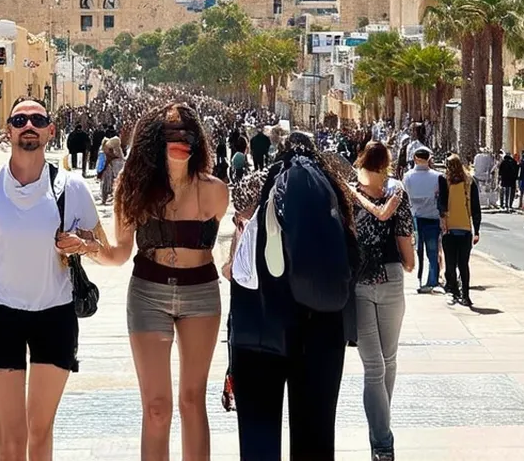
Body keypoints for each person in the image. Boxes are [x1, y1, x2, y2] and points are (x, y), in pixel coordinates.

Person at [0, 97, 103, 461]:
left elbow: (104, 248)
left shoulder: (72, 187)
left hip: (55, 314)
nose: (29, 126)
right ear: (9, 131)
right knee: (11, 437)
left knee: (41, 430)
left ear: (51, 131)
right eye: (20, 120)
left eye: (37, 119)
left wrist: (83, 245)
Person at [91, 102, 229, 461]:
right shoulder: (132, 188)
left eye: (187, 132)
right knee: (156, 407)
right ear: (154, 140)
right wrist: (89, 249)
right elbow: (120, 253)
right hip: (148, 294)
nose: (180, 139)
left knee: (192, 400)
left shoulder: (215, 191)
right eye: (171, 132)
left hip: (201, 294)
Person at [226, 132, 360, 460]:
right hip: (322, 329)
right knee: (316, 440)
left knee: (259, 443)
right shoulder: (334, 190)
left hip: (259, 328)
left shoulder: (257, 184)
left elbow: (236, 267)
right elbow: (353, 260)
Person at [349, 142, 415, 461]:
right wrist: (410, 261)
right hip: (390, 276)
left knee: (374, 366)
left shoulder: (349, 193)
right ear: (386, 162)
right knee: (387, 361)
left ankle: (381, 439)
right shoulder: (395, 190)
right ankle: (382, 438)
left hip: (360, 280)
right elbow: (405, 237)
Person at [440, 154, 482, 307]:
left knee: (457, 264)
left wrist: (476, 231)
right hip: (456, 230)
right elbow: (442, 203)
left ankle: (462, 293)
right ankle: (459, 293)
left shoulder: (467, 182)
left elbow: (475, 208)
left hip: (457, 230)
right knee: (456, 265)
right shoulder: (448, 181)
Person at [403, 147, 445, 294]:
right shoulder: (438, 176)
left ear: (415, 159)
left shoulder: (407, 176)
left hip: (416, 218)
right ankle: (432, 280)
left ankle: (419, 280)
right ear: (429, 159)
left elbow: (405, 197)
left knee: (418, 251)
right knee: (432, 251)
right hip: (433, 217)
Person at [98, 131, 125, 206]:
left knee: (107, 185)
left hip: (111, 171)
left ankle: (106, 199)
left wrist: (100, 171)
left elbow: (106, 161)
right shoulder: (117, 151)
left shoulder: (111, 152)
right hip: (114, 170)